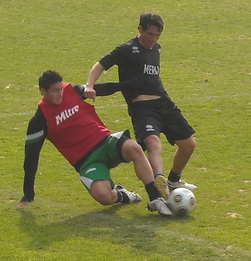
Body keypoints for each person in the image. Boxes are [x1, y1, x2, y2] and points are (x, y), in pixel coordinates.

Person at [17, 70, 172, 216]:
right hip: (87, 161)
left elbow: (99, 89)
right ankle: (122, 195)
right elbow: (31, 157)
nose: (60, 94)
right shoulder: (39, 121)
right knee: (103, 196)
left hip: (105, 143)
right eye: (55, 91)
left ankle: (154, 198)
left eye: (61, 89)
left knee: (133, 147)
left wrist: (128, 84)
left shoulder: (72, 91)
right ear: (43, 91)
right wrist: (28, 192)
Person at [85, 13, 197, 193]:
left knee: (189, 145)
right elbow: (100, 65)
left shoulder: (157, 49)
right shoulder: (127, 49)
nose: (153, 39)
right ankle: (159, 181)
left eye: (157, 35)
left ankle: (174, 180)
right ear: (140, 29)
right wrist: (89, 86)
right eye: (150, 34)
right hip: (143, 108)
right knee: (153, 142)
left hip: (164, 104)